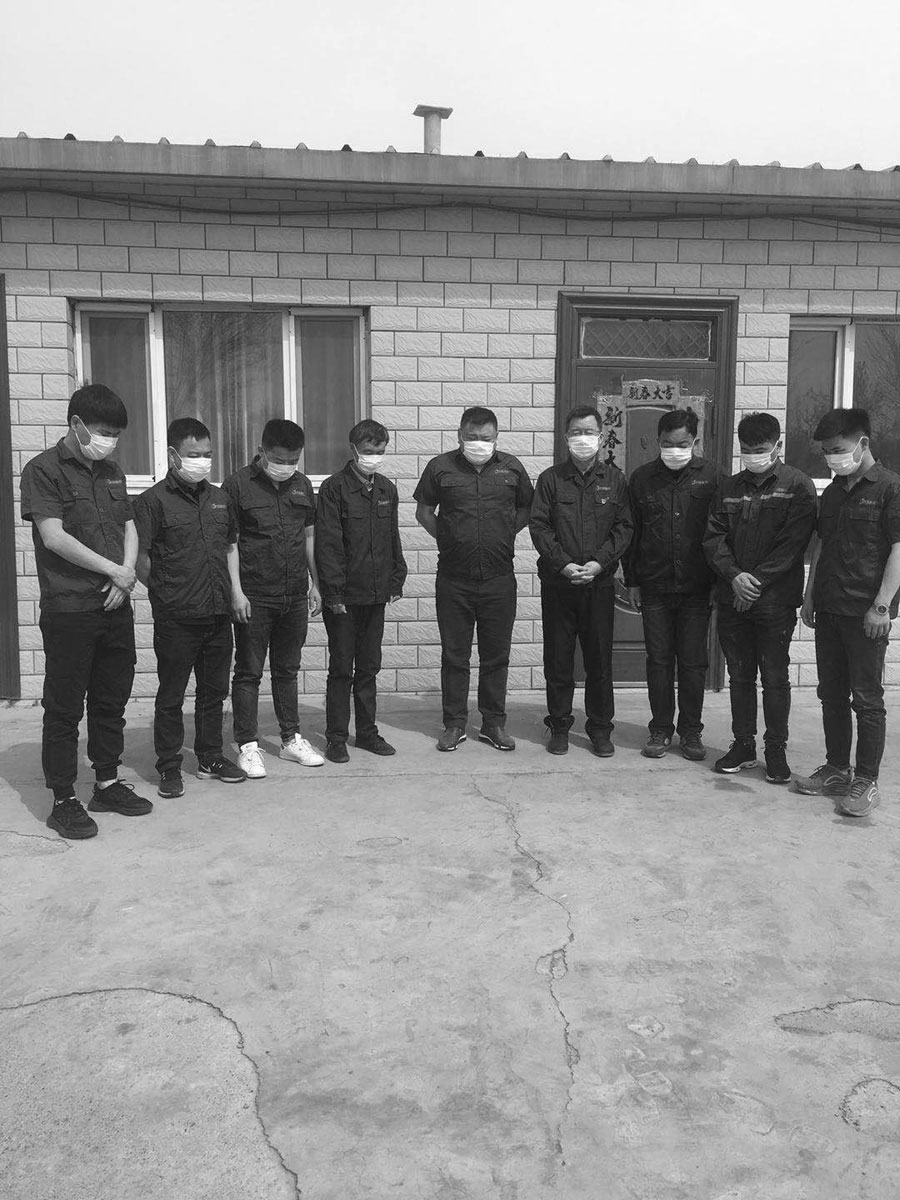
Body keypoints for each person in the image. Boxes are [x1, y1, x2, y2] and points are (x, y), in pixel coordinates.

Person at [19, 384, 153, 840]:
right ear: (76, 424)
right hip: (71, 607)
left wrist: (126, 573)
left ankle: (107, 783)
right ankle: (63, 798)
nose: (109, 440)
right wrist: (114, 571)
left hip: (115, 604)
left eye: (115, 433)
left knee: (111, 699)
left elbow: (128, 525)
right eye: (103, 431)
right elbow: (54, 536)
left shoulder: (111, 471)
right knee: (64, 706)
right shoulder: (43, 470)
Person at [795, 409, 900, 817]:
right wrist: (809, 596)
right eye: (825, 452)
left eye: (837, 450)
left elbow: (898, 549)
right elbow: (821, 545)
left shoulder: (890, 488)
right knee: (831, 695)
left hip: (865, 613)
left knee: (867, 699)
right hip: (830, 607)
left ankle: (866, 781)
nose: (831, 458)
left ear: (863, 443)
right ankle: (837, 769)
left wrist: (881, 606)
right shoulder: (834, 492)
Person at [133, 418, 246, 797]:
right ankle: (169, 765)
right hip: (177, 618)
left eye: (207, 454)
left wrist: (235, 593)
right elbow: (140, 558)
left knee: (214, 693)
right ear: (173, 454)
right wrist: (165, 593)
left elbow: (229, 546)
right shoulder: (152, 502)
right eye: (194, 454)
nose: (202, 461)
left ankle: (210, 756)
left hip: (217, 614)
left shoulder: (220, 498)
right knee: (172, 695)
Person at [703, 412, 817, 783]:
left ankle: (776, 749)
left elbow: (793, 543)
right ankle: (743, 745)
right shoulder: (729, 487)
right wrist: (735, 577)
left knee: (774, 677)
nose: (754, 456)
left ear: (778, 445)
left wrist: (755, 583)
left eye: (761, 449)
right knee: (739, 675)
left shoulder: (797, 485)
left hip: (775, 601)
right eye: (747, 449)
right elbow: (713, 537)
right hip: (732, 596)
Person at [414, 406, 533, 752]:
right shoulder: (440, 467)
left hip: (499, 578)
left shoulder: (512, 468)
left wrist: (505, 532)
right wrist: (449, 538)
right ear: (459, 435)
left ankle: (493, 724)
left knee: (496, 656)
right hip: (454, 579)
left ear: (496, 437)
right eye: (472, 437)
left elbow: (527, 508)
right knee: (455, 656)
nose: (479, 443)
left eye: (486, 438)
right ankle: (454, 724)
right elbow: (424, 512)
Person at [222, 418, 325, 779]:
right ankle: (248, 745)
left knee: (287, 670)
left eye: (293, 459)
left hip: (293, 593)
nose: (286, 466)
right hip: (255, 595)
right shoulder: (238, 485)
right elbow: (230, 543)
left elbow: (309, 537)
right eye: (279, 459)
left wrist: (316, 583)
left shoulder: (302, 485)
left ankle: (290, 739)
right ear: (262, 451)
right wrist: (236, 591)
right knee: (248, 672)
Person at [529, 405, 632, 756]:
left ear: (601, 437)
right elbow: (539, 526)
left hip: (598, 586)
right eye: (576, 432)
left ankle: (600, 728)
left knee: (598, 661)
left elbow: (624, 527)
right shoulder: (550, 479)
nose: (582, 438)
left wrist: (600, 563)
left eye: (589, 432)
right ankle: (559, 725)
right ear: (565, 438)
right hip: (559, 585)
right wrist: (563, 565)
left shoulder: (615, 480)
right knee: (558, 660)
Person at [624, 409, 725, 761]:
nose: (674, 450)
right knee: (659, 661)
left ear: (695, 442)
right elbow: (632, 533)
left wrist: (719, 581)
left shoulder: (713, 477)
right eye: (667, 443)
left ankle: (691, 731)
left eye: (682, 444)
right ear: (658, 441)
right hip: (654, 585)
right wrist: (632, 581)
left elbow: (722, 532)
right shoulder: (641, 479)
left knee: (694, 662)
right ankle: (661, 729)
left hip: (698, 587)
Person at [315, 419, 408, 762]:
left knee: (369, 667)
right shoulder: (334, 489)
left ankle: (367, 733)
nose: (374, 457)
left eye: (380, 451)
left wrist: (396, 577)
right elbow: (328, 544)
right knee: (342, 668)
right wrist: (334, 593)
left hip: (376, 593)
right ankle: (336, 737)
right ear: (353, 450)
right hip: (344, 598)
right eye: (369, 451)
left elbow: (392, 537)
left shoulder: (386, 489)